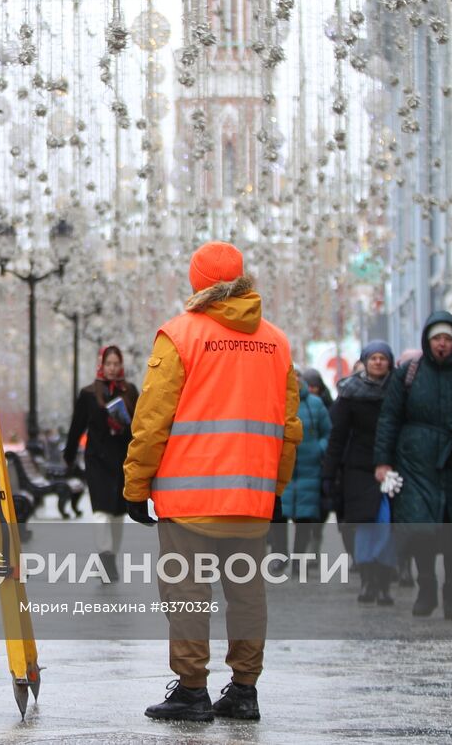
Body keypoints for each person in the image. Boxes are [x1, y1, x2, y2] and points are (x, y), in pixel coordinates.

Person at [124, 241, 303, 723]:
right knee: (247, 595)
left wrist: (136, 487)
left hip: (190, 499)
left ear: (196, 282)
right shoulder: (277, 342)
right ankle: (244, 691)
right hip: (251, 498)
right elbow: (289, 427)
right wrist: (277, 489)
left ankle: (192, 690)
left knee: (187, 593)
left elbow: (152, 419)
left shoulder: (180, 336)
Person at [374, 311, 452, 619]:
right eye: (437, 339)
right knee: (422, 531)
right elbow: (389, 419)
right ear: (427, 341)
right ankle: (427, 587)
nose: (442, 345)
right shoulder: (409, 374)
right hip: (417, 465)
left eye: (448, 339)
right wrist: (382, 462)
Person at [323, 341, 396, 604]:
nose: (378, 362)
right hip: (359, 469)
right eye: (373, 358)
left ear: (390, 361)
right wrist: (329, 474)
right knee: (365, 525)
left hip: (392, 469)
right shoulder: (350, 393)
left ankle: (385, 582)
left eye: (382, 358)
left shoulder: (399, 392)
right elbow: (337, 436)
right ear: (365, 361)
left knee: (388, 525)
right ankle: (367, 581)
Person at [64, 345, 139, 578]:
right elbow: (77, 427)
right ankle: (105, 555)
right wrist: (69, 454)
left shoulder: (130, 391)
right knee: (100, 511)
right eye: (109, 364)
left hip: (122, 459)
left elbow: (139, 425)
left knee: (117, 513)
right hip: (97, 459)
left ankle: (111, 557)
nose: (113, 368)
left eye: (116, 364)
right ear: (101, 365)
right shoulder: (88, 394)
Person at [271, 373, 330, 562]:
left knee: (304, 518)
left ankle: (298, 559)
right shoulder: (274, 399)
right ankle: (279, 557)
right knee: (279, 516)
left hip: (308, 469)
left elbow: (328, 433)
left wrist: (318, 449)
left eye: (297, 377)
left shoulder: (316, 404)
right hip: (281, 467)